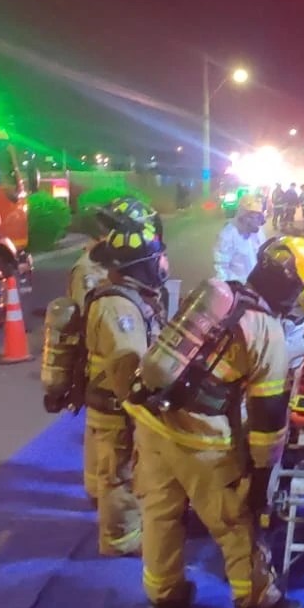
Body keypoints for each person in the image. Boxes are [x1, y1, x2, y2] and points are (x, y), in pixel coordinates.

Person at [124, 236, 304, 608]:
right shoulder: (266, 330)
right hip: (202, 440)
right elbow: (268, 416)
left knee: (160, 513)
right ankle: (259, 599)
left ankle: (165, 594)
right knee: (234, 522)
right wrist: (260, 476)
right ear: (293, 287)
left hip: (151, 422)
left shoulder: (218, 295)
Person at [84, 216, 169, 557]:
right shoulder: (118, 307)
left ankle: (120, 526)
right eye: (156, 258)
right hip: (116, 407)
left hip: (115, 404)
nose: (162, 264)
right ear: (139, 266)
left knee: (116, 469)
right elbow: (128, 368)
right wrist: (147, 408)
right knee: (119, 474)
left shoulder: (130, 297)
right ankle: (120, 540)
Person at [69, 197, 162, 503]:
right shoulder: (99, 277)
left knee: (107, 467)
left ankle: (100, 498)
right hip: (110, 387)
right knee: (116, 473)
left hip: (109, 384)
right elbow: (107, 331)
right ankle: (112, 520)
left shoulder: (122, 263)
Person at [214, 194, 267, 283]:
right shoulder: (228, 235)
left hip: (259, 285)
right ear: (242, 216)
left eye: (258, 217)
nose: (255, 221)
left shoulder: (258, 232)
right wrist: (236, 286)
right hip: (241, 287)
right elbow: (221, 268)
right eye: (251, 217)